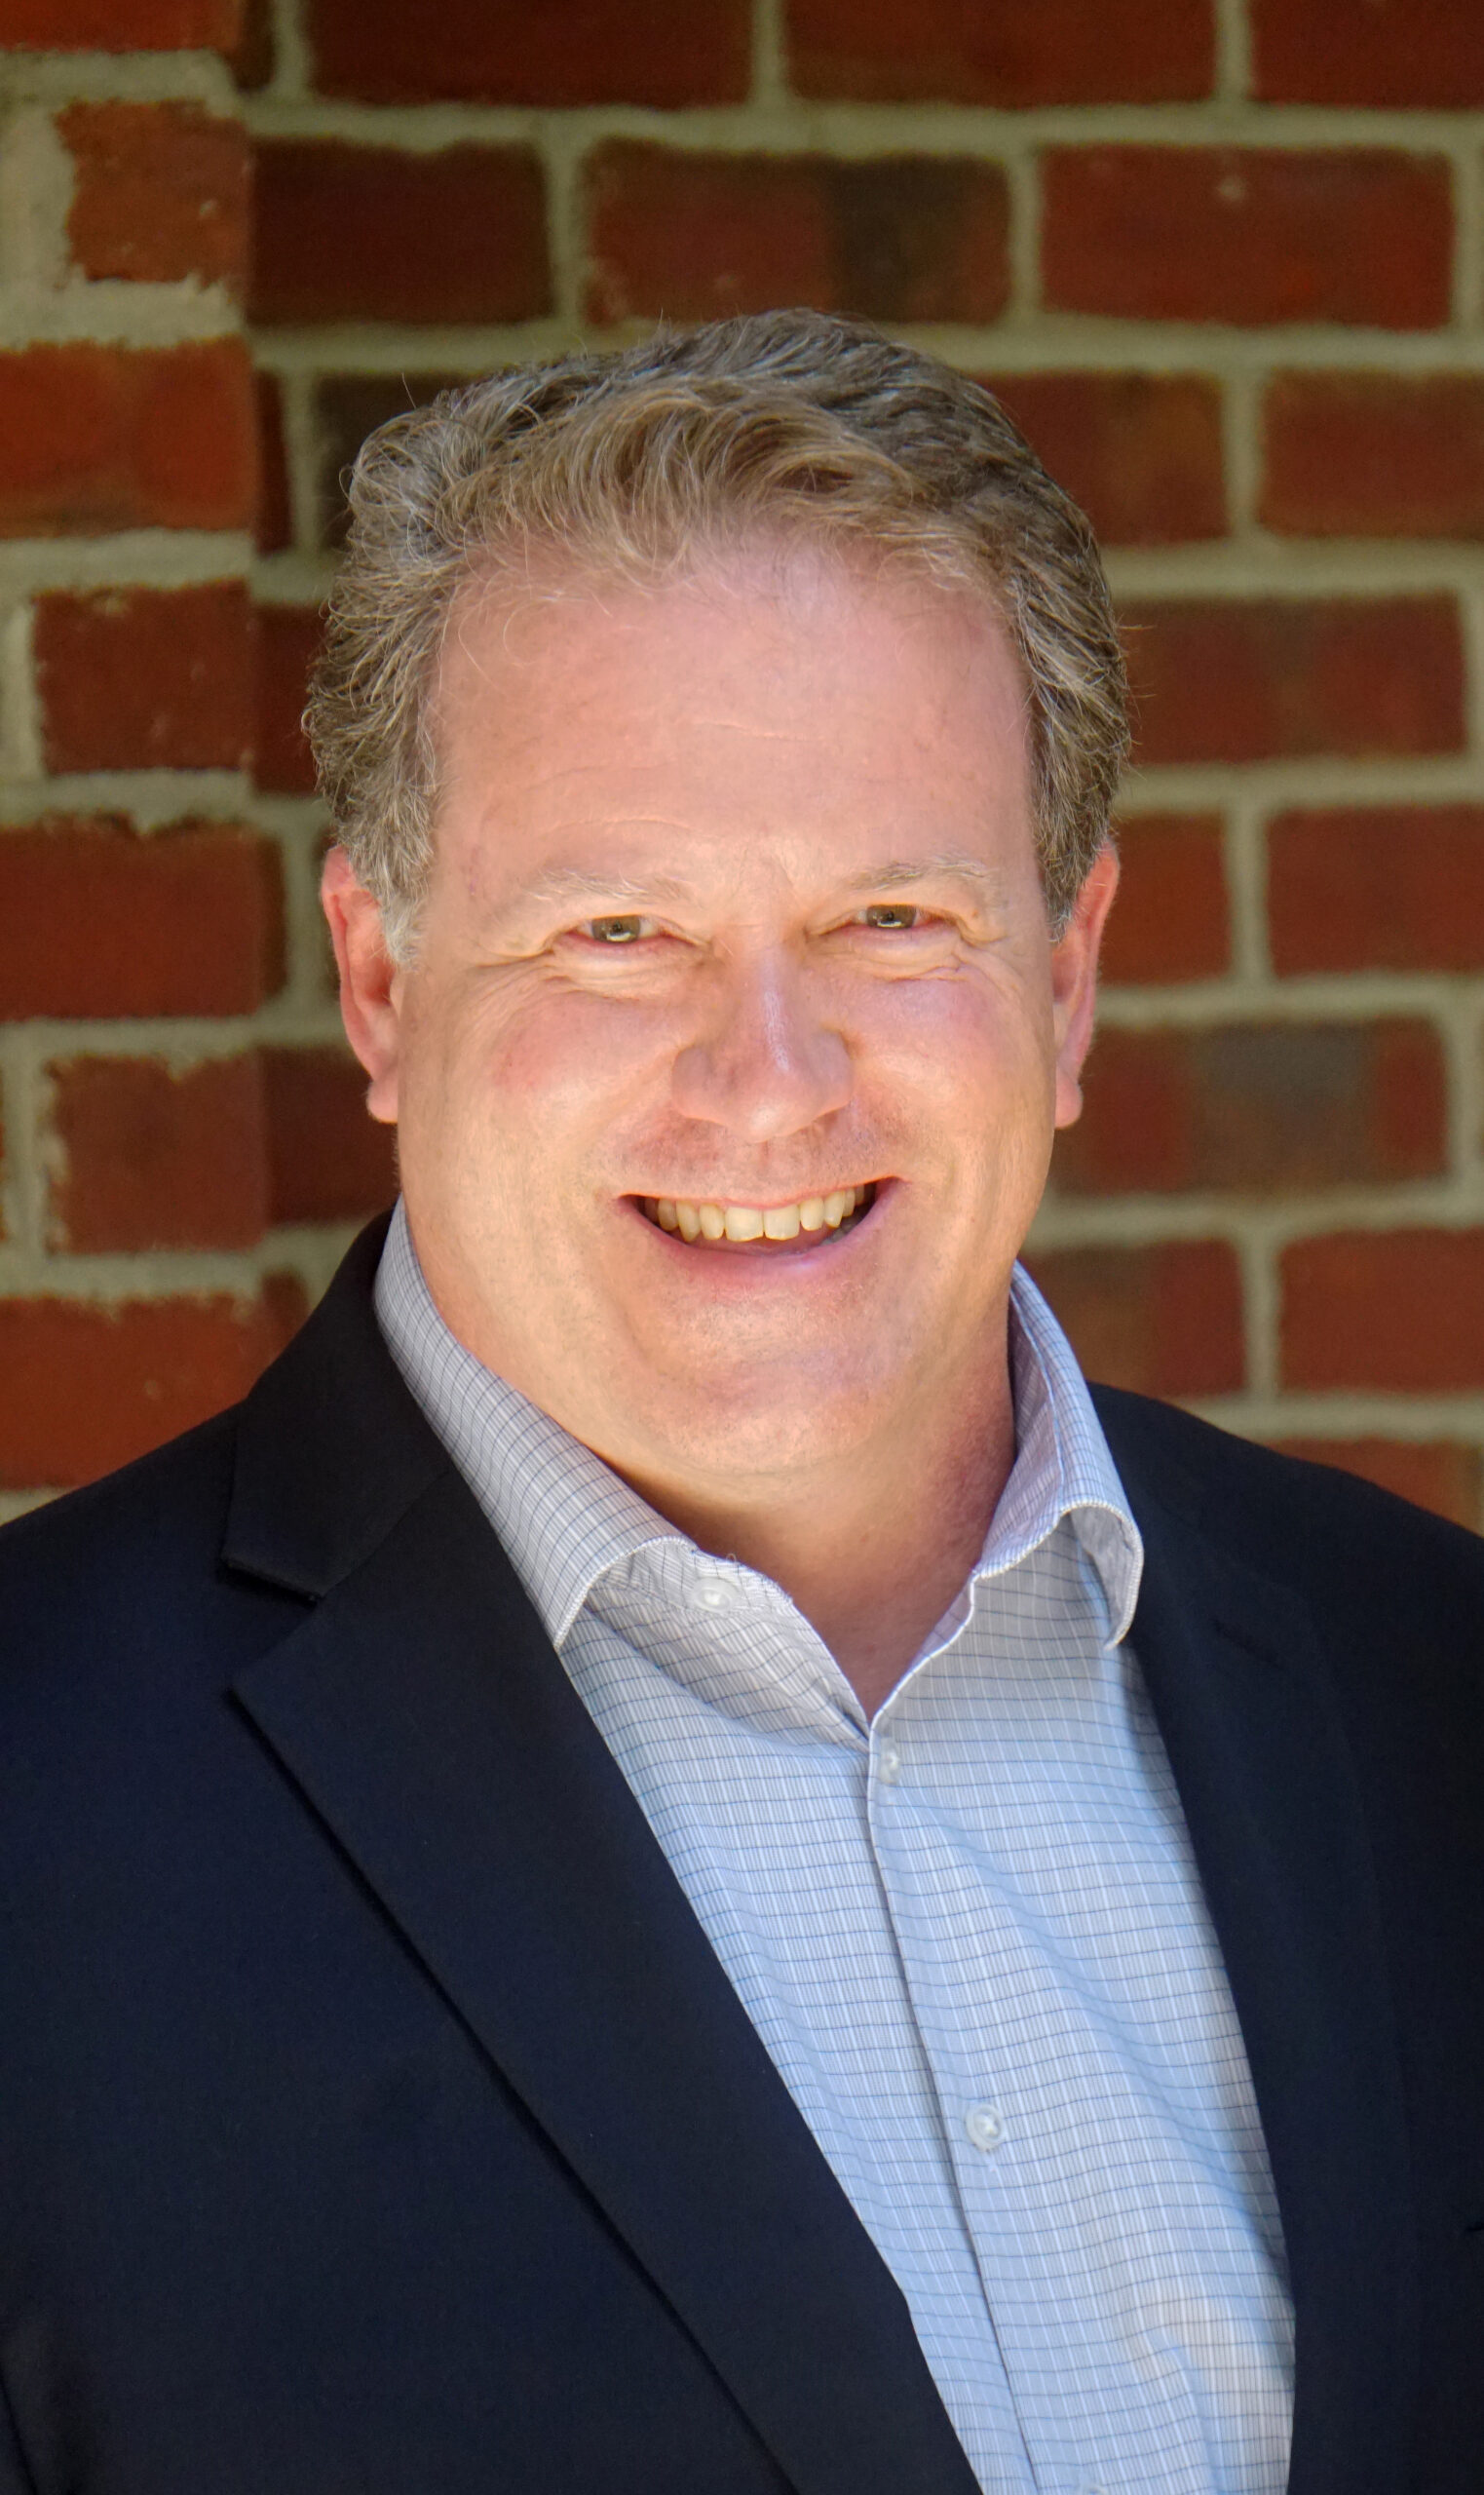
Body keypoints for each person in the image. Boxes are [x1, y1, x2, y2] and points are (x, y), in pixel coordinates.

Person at [0, 311, 1478, 2495]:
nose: (769, 1083)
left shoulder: (1435, 1684)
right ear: (383, 981)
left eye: (891, 917)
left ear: (1065, 980)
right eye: (617, 931)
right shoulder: (33, 1810)